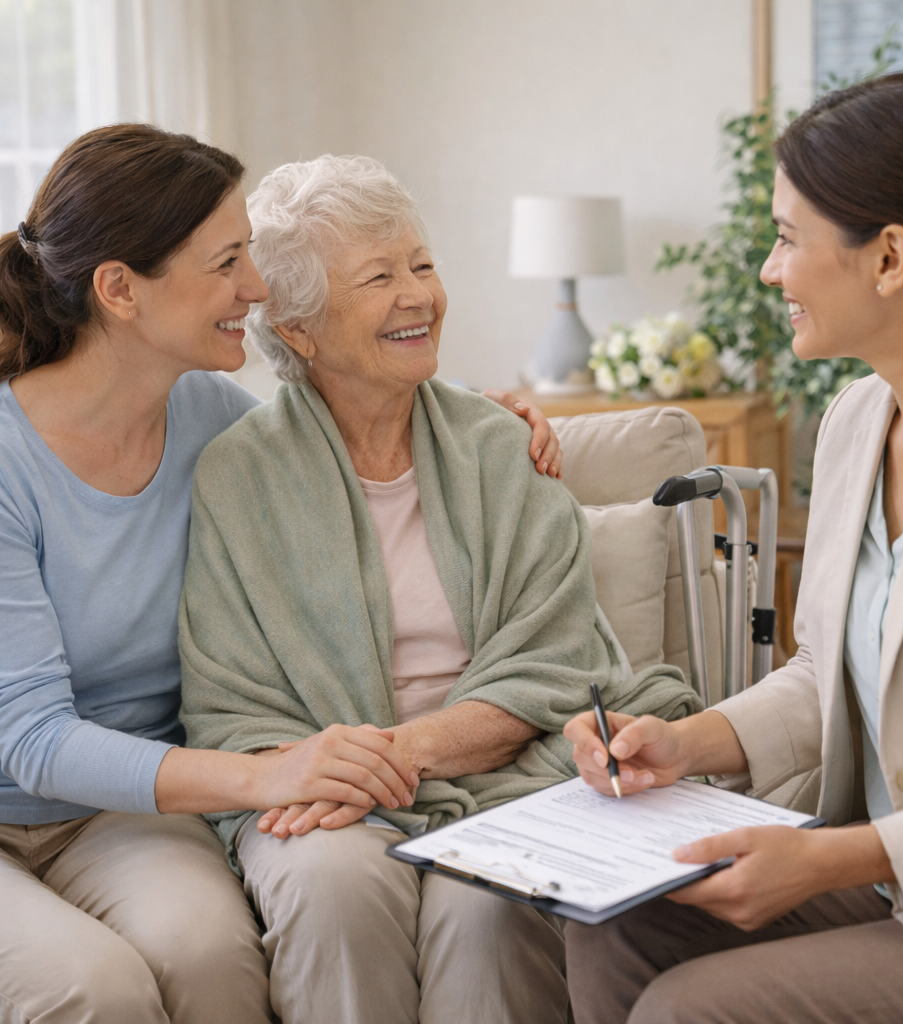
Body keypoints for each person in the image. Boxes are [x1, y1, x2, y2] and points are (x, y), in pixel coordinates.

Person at [0, 124, 563, 1024]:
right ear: (119, 290)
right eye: (228, 263)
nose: (254, 292)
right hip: (31, 792)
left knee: (213, 955)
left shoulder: (214, 420)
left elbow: (351, 412)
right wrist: (266, 776)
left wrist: (484, 418)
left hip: (125, 817)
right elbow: (28, 738)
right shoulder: (12, 459)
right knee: (96, 988)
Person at [177, 153, 701, 1024]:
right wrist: (330, 771)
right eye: (380, 277)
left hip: (512, 767)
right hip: (317, 789)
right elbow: (231, 701)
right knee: (333, 890)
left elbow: (557, 659)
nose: (417, 294)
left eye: (422, 265)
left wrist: (403, 755)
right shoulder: (237, 475)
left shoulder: (504, 446)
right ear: (299, 328)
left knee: (488, 901)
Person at [563, 72, 903, 1024]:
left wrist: (828, 857)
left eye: (786, 237)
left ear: (890, 256)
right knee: (611, 927)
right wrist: (684, 744)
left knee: (688, 1008)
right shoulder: (858, 419)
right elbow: (823, 673)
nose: (770, 272)